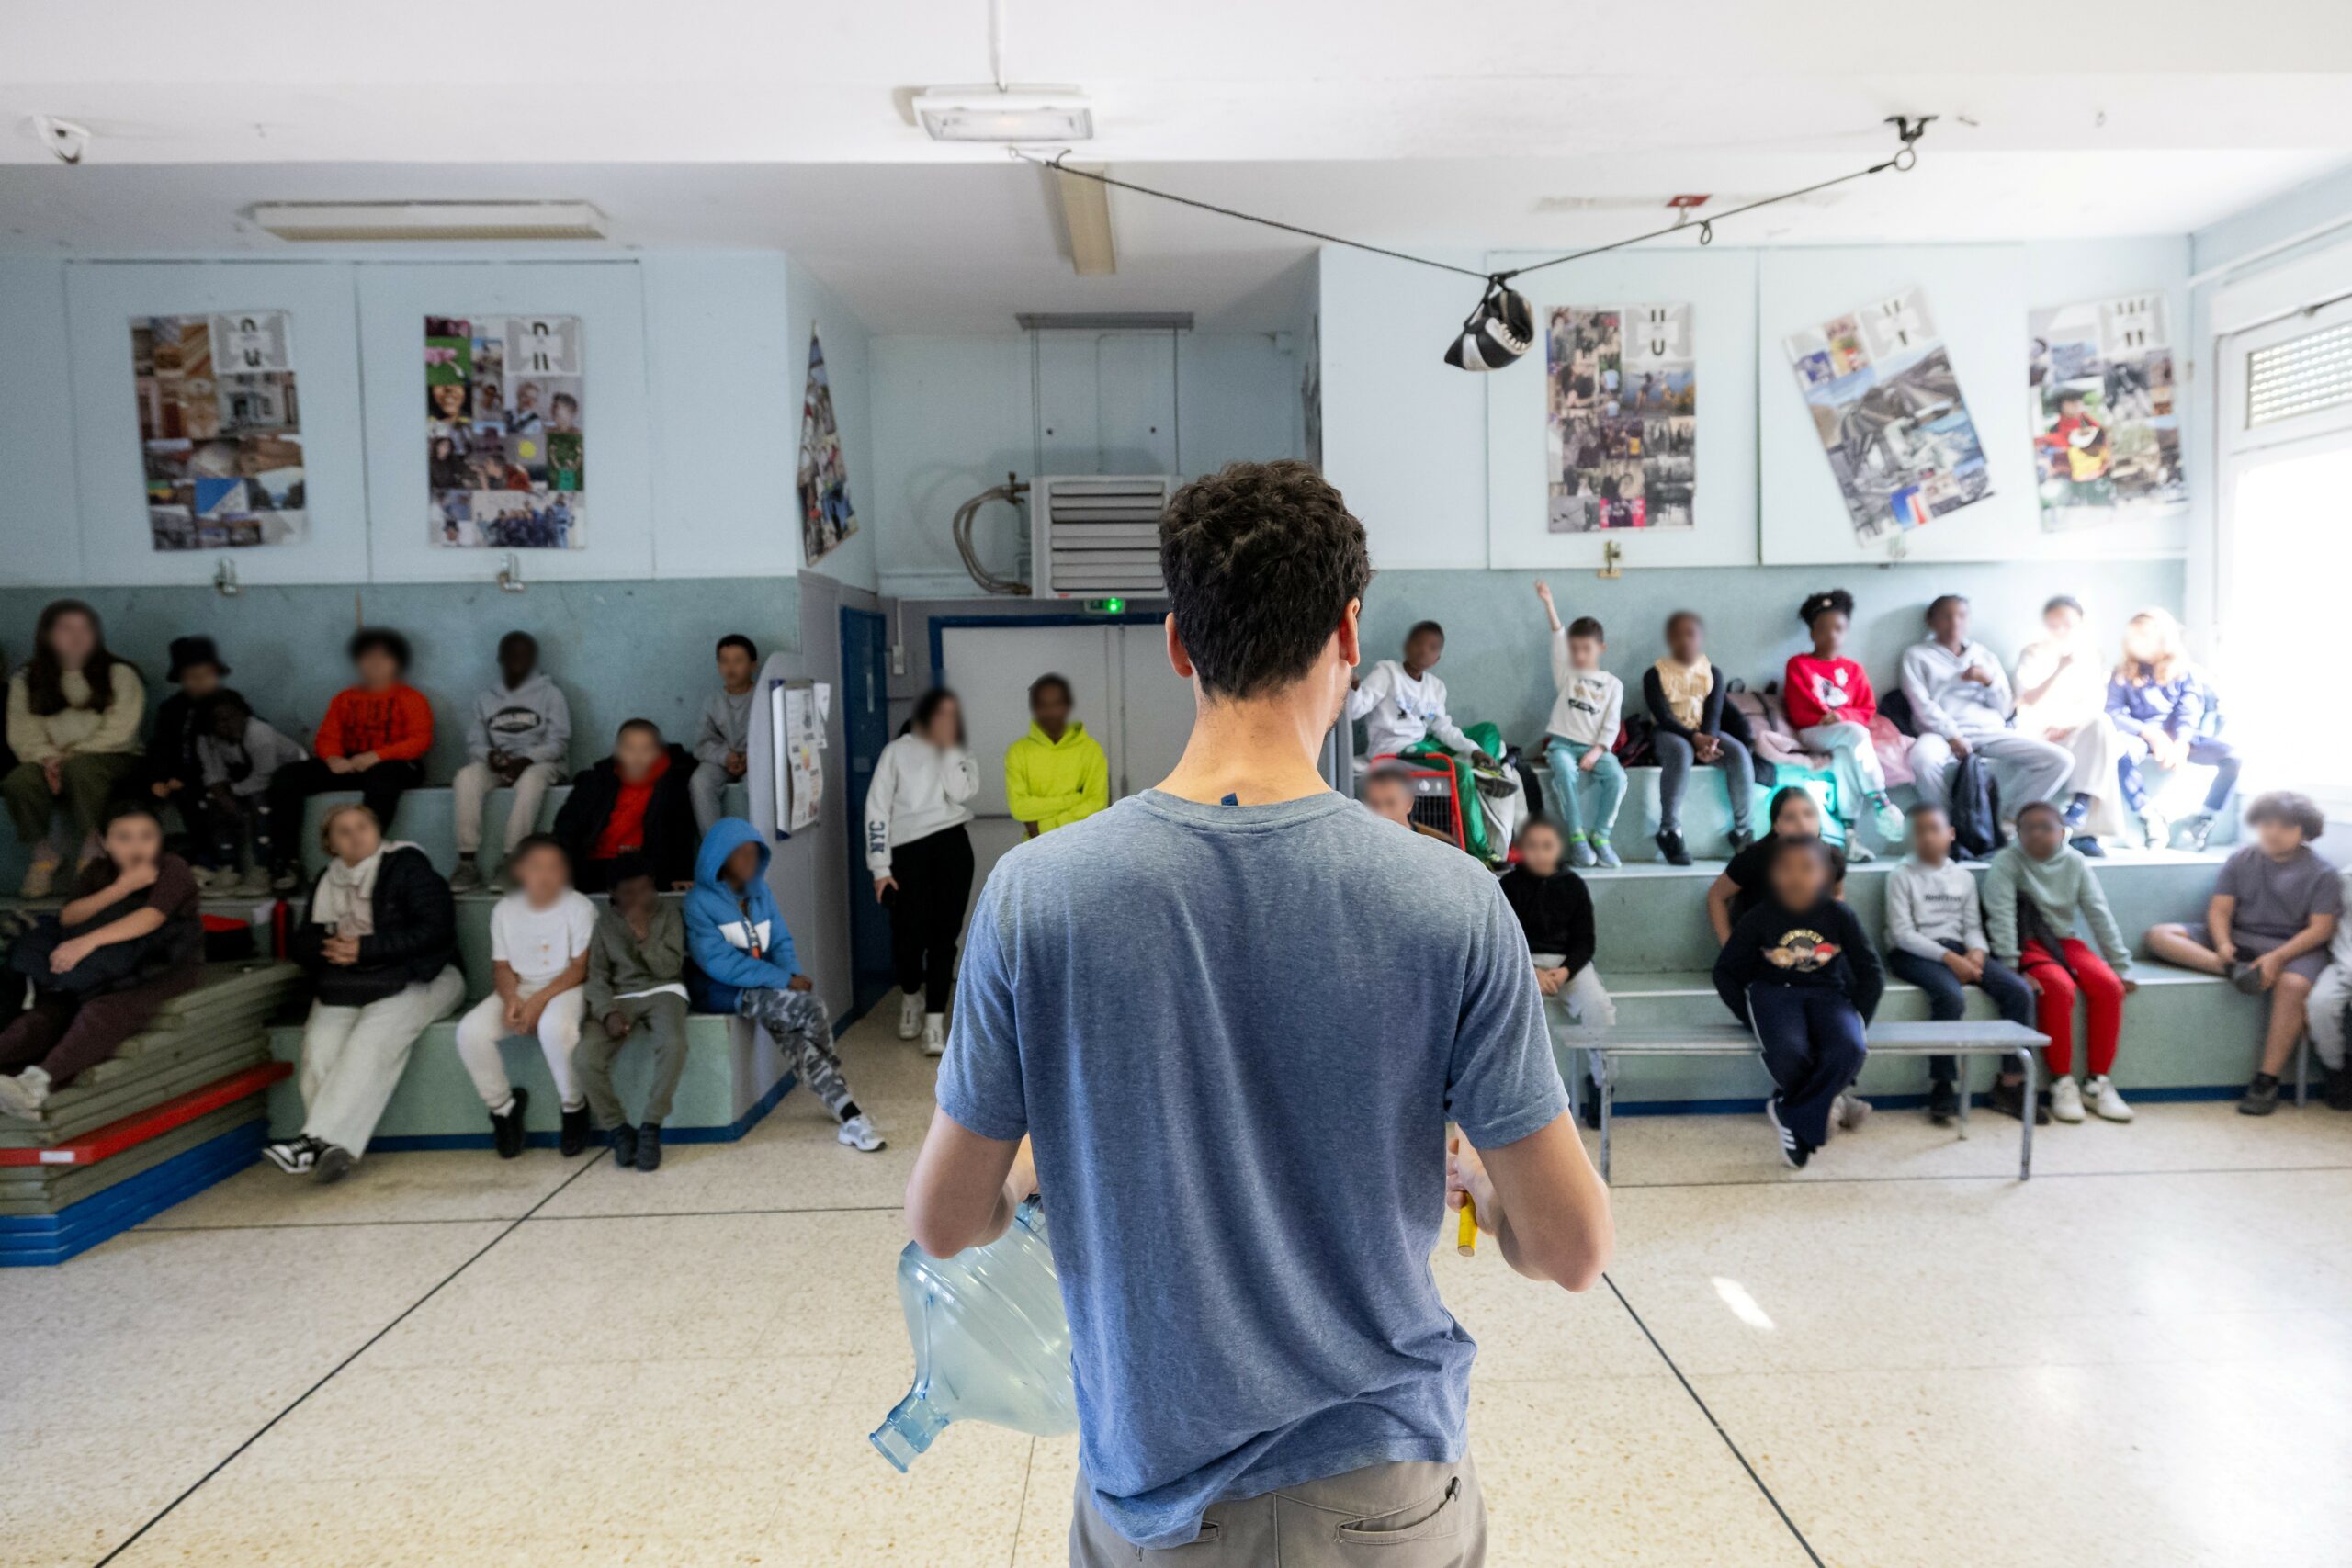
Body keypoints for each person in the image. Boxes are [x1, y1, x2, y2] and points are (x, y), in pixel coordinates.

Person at [903, 459, 1611, 1561]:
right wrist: (1479, 1179)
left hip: (1154, 1496)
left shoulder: (1037, 897)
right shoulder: (1452, 899)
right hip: (1381, 1491)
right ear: (1348, 632)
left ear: (1177, 644)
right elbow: (1569, 1249)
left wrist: (1045, 1160)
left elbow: (947, 1220)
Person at [263, 803, 463, 1182]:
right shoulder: (327, 879)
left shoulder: (408, 867)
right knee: (319, 1046)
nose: (356, 836)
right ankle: (331, 1151)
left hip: (424, 976)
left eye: (362, 826)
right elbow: (303, 943)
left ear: (377, 831)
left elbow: (435, 930)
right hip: (351, 980)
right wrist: (332, 947)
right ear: (330, 845)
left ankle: (313, 1141)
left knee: (371, 1041)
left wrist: (365, 948)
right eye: (344, 831)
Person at [688, 818, 882, 1152]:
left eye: (754, 853)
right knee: (810, 1008)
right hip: (723, 991)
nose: (749, 861)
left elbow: (780, 941)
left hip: (764, 985)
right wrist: (782, 980)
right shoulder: (698, 903)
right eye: (740, 854)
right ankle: (839, 1090)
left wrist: (790, 975)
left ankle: (847, 1112)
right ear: (720, 858)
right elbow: (720, 963)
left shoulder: (760, 893)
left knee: (797, 1035)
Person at [0, 801, 201, 1118]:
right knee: (45, 1016)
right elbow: (70, 916)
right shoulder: (97, 871)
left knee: (102, 1011)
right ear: (106, 843)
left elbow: (151, 917)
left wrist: (86, 942)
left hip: (159, 968)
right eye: (124, 837)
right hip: (99, 968)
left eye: (146, 836)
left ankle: (36, 1085)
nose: (136, 846)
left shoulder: (173, 868)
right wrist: (122, 887)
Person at [2144, 792, 2340, 1115]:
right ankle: (2236, 971)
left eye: (2285, 826)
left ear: (2305, 831)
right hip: (2241, 939)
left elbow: (2320, 929)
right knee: (2159, 935)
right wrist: (2223, 946)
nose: (2273, 832)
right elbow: (2220, 910)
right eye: (2267, 824)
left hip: (2292, 946)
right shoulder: (2241, 859)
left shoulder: (2323, 873)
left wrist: (2277, 958)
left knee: (2293, 985)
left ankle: (2267, 1080)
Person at [1713, 836, 1883, 1168]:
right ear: (1772, 874)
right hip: (1775, 994)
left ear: (1824, 874)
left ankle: (1788, 1109)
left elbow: (1871, 972)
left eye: (1807, 868)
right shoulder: (1759, 916)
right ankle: (1816, 1112)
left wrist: (1857, 1015)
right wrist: (1751, 1018)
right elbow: (1725, 972)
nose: (1795, 876)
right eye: (1785, 868)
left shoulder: (1839, 914)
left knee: (1850, 1048)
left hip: (1828, 995)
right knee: (1791, 1051)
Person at [1984, 801, 2139, 1124]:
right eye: (2029, 828)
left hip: (2065, 942)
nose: (2037, 834)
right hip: (2028, 944)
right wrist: (2011, 966)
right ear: (2018, 833)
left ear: (2062, 832)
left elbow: (2098, 913)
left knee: (2109, 986)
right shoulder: (2007, 861)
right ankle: (2061, 1082)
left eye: (2046, 827)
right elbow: (2001, 917)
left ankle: (2097, 1082)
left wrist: (2120, 965)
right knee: (2057, 987)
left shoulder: (2075, 862)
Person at [1884, 803, 2038, 1124]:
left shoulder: (1963, 877)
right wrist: (1950, 959)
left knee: (2018, 992)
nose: (1927, 837)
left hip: (1958, 949)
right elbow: (1902, 934)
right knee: (1949, 995)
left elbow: (1972, 926)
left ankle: (2011, 1084)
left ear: (1951, 834)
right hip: (1912, 954)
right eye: (1918, 831)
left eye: (1934, 829)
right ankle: (1942, 1084)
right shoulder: (1901, 876)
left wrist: (1977, 952)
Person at [452, 835, 599, 1159]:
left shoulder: (579, 907)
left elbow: (579, 968)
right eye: (536, 867)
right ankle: (503, 1109)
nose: (545, 875)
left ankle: (573, 1106)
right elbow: (502, 967)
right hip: (520, 987)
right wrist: (511, 1001)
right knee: (470, 1032)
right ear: (519, 870)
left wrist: (538, 1002)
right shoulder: (505, 910)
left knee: (554, 1028)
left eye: (554, 867)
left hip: (566, 987)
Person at [1346, 618, 1522, 865]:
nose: (1423, 650)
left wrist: (1474, 751)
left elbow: (1443, 728)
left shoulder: (1436, 687)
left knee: (1488, 732)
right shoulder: (1387, 672)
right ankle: (1481, 852)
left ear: (1436, 659)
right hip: (1395, 748)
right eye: (1418, 643)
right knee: (1459, 771)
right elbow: (1356, 710)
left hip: (1424, 741)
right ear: (1407, 646)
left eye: (1431, 648)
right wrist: (1354, 688)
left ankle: (1484, 770)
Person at [4, 600, 145, 898]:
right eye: (66, 629)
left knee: (80, 769)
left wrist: (70, 755)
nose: (77, 636)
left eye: (85, 628)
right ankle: (43, 856)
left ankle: (93, 851)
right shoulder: (26, 679)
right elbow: (22, 732)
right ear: (47, 635)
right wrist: (46, 758)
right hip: (50, 759)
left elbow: (121, 730)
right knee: (19, 781)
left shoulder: (120, 674)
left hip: (113, 756)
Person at [865, 688, 979, 1055]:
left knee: (945, 937)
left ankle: (934, 1022)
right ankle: (911, 996)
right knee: (908, 937)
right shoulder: (896, 751)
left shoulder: (959, 751)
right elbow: (877, 810)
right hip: (907, 851)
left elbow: (960, 793)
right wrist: (880, 868)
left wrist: (948, 749)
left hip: (952, 846)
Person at [1899, 594, 2073, 831]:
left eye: (1961, 616)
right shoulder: (1917, 656)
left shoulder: (1984, 656)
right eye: (1946, 616)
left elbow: (2005, 708)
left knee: (2060, 760)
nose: (1954, 622)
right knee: (1922, 760)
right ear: (1931, 621)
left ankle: (2011, 820)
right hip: (1940, 733)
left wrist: (1988, 681)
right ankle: (1948, 826)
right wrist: (1951, 735)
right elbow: (1921, 704)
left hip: (1989, 730)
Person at [267, 627, 433, 856]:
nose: (375, 663)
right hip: (351, 763)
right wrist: (333, 759)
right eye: (368, 657)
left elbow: (420, 740)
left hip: (396, 763)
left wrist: (377, 756)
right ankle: (285, 861)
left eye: (384, 657)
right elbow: (328, 737)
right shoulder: (345, 698)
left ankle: (365, 854)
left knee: (383, 778)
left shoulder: (411, 698)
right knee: (286, 777)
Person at [576, 853, 690, 1171]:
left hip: (664, 989)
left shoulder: (668, 914)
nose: (639, 898)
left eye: (645, 889)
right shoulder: (604, 923)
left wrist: (643, 936)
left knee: (673, 1045)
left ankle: (651, 1126)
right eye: (629, 892)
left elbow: (670, 968)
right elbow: (596, 976)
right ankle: (618, 1129)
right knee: (585, 1058)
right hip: (620, 995)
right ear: (612, 893)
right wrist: (607, 1012)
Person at [1781, 588, 1903, 860]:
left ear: (1846, 631)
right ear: (1812, 633)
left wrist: (1842, 715)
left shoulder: (1853, 669)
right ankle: (1882, 802)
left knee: (1845, 757)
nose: (1832, 635)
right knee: (1855, 734)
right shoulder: (1799, 664)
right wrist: (1832, 718)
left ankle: (1848, 835)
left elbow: (1866, 709)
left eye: (1838, 629)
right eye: (1823, 629)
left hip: (1845, 735)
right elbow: (1799, 709)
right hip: (1814, 732)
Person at [2107, 608, 2238, 851]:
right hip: (2141, 738)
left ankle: (2204, 819)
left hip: (2181, 738)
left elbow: (2189, 710)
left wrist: (2181, 742)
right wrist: (2150, 734)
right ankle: (2147, 815)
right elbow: (2114, 713)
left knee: (2233, 757)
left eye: (2144, 636)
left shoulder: (2184, 672)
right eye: (2133, 637)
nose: (2138, 642)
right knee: (2118, 753)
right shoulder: (2122, 672)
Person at [452, 631, 571, 893]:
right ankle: (467, 862)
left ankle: (512, 860)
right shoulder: (485, 698)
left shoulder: (551, 694)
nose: (518, 661)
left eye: (524, 655)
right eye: (511, 655)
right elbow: (475, 743)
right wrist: (491, 757)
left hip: (541, 763)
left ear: (533, 659)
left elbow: (559, 742)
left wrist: (527, 760)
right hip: (501, 764)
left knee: (531, 780)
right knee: (466, 777)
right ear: (500, 659)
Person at [2011, 595, 2128, 853]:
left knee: (2102, 727)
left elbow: (2095, 702)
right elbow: (2026, 699)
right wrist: (2060, 668)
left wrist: (2069, 725)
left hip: (2076, 729)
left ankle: (2081, 806)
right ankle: (2086, 831)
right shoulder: (2032, 653)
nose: (2061, 631)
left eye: (2068, 624)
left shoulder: (2092, 655)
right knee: (2102, 745)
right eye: (2054, 625)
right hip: (2038, 730)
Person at [1643, 609, 1759, 865]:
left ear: (1700, 638)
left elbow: (1714, 712)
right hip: (1670, 734)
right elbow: (1664, 716)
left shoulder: (1712, 673)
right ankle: (1670, 830)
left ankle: (1743, 831)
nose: (1685, 640)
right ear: (1669, 639)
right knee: (1681, 751)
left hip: (1705, 732)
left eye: (1691, 634)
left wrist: (1709, 740)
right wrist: (1694, 738)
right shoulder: (1655, 675)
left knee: (1738, 752)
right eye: (1678, 635)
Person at [1533, 584, 1625, 868]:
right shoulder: (1567, 674)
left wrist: (1597, 751)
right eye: (1575, 649)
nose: (1580, 655)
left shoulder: (1613, 684)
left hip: (1595, 748)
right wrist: (1549, 603)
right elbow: (1557, 636)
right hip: (1562, 745)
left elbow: (1611, 724)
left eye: (1586, 649)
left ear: (1601, 648)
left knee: (1618, 778)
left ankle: (1601, 836)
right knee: (1563, 770)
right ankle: (1577, 837)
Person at [552, 719, 700, 895]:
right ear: (618, 751)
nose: (637, 758)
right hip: (599, 864)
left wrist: (682, 874)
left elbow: (681, 831)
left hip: (646, 866)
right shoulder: (596, 780)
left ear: (659, 752)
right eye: (629, 749)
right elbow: (567, 827)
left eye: (646, 750)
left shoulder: (673, 783)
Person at [1501, 818, 1612, 1028]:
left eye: (1547, 846)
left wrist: (1566, 971)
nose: (1540, 854)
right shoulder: (1508, 886)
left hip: (1566, 964)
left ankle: (1597, 1052)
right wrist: (1532, 971)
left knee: (1598, 1008)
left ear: (1559, 848)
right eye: (1532, 846)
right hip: (1523, 963)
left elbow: (1585, 942)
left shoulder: (1574, 885)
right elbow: (1504, 941)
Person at [193, 691, 307, 895]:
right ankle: (229, 866)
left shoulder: (259, 733)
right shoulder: (207, 739)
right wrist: (224, 797)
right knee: (212, 799)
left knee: (259, 801)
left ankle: (263, 868)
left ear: (243, 714)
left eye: (232, 717)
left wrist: (233, 793)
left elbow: (264, 775)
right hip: (244, 778)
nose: (228, 725)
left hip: (286, 775)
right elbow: (213, 774)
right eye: (219, 721)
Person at [1707, 785, 1849, 942]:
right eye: (1790, 817)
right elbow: (1717, 895)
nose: (1802, 823)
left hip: (1808, 945)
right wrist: (1730, 948)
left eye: (1809, 814)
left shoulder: (1832, 856)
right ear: (1776, 825)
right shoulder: (1753, 857)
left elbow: (1837, 894)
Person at [143, 636, 237, 863]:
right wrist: (158, 778)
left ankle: (210, 858)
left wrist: (185, 779)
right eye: (191, 677)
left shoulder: (229, 704)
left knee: (194, 797)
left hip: (218, 776)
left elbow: (227, 751)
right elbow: (161, 747)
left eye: (206, 675)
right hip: (177, 777)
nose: (199, 682)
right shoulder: (171, 709)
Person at [1003, 673, 1108, 839]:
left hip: (1081, 844)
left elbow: (1097, 803)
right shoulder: (1017, 752)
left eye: (1056, 704)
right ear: (1033, 708)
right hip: (1034, 848)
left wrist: (1045, 826)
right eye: (1042, 705)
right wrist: (1075, 799)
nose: (1050, 712)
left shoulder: (1091, 749)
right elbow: (1019, 808)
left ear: (1068, 706)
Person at [691, 634, 758, 836]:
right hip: (724, 761)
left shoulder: (763, 697)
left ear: (753, 665)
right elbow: (702, 744)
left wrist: (751, 757)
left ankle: (757, 842)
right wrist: (725, 756)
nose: (731, 667)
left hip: (756, 761)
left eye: (738, 660)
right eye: (724, 661)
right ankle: (716, 844)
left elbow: (772, 738)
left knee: (757, 783)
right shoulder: (712, 701)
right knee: (700, 782)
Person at [2307, 859, 2352, 1111]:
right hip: (2343, 963)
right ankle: (2337, 1071)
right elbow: (2343, 935)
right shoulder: (2346, 879)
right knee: (2320, 1005)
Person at [1362, 764, 1455, 842]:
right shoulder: (1361, 841)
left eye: (1391, 803)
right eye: (1374, 804)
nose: (1382, 813)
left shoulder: (1441, 845)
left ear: (1408, 804)